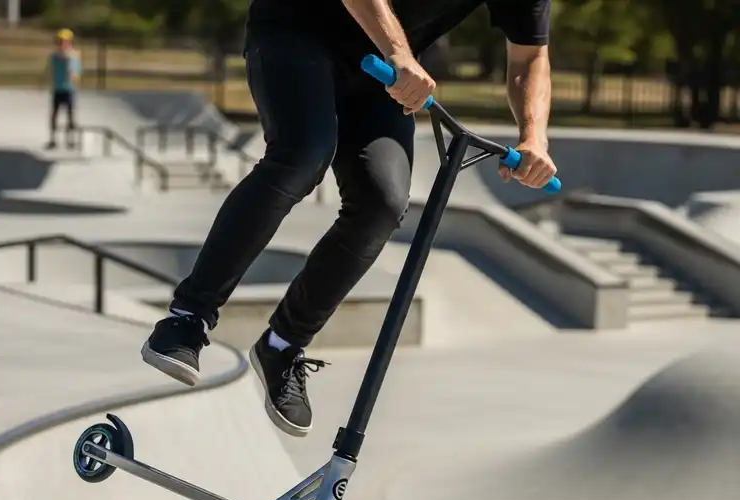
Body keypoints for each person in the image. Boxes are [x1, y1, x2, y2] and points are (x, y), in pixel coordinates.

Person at [141, 0, 557, 438]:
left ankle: (282, 345)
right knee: (302, 155)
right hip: (296, 30)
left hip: (378, 72)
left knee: (383, 202)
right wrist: (400, 54)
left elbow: (529, 57)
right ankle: (187, 317)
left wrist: (534, 137)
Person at [45, 28, 82, 150]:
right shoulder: (55, 56)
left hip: (69, 89)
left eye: (65, 42)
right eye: (60, 42)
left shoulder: (74, 56)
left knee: (70, 115)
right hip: (58, 88)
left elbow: (76, 73)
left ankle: (70, 139)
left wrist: (72, 70)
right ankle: (53, 139)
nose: (62, 45)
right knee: (55, 114)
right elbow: (51, 69)